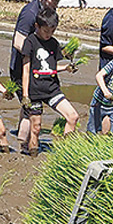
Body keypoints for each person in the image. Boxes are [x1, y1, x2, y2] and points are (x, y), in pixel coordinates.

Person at [11, 0, 64, 147]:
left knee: (27, 110)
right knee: (29, 110)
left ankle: (22, 141)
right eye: (53, 0)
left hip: (38, 68)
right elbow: (18, 42)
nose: (56, 4)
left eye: (58, 0)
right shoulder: (30, 13)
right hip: (23, 68)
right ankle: (23, 146)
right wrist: (37, 59)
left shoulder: (46, 12)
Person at [21, 9, 79, 155]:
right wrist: (25, 94)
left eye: (52, 31)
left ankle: (65, 153)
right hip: (34, 91)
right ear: (37, 26)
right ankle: (32, 154)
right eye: (46, 31)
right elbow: (26, 70)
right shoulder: (30, 42)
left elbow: (51, 67)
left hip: (52, 89)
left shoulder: (53, 43)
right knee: (36, 127)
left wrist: (66, 67)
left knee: (73, 116)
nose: (48, 34)